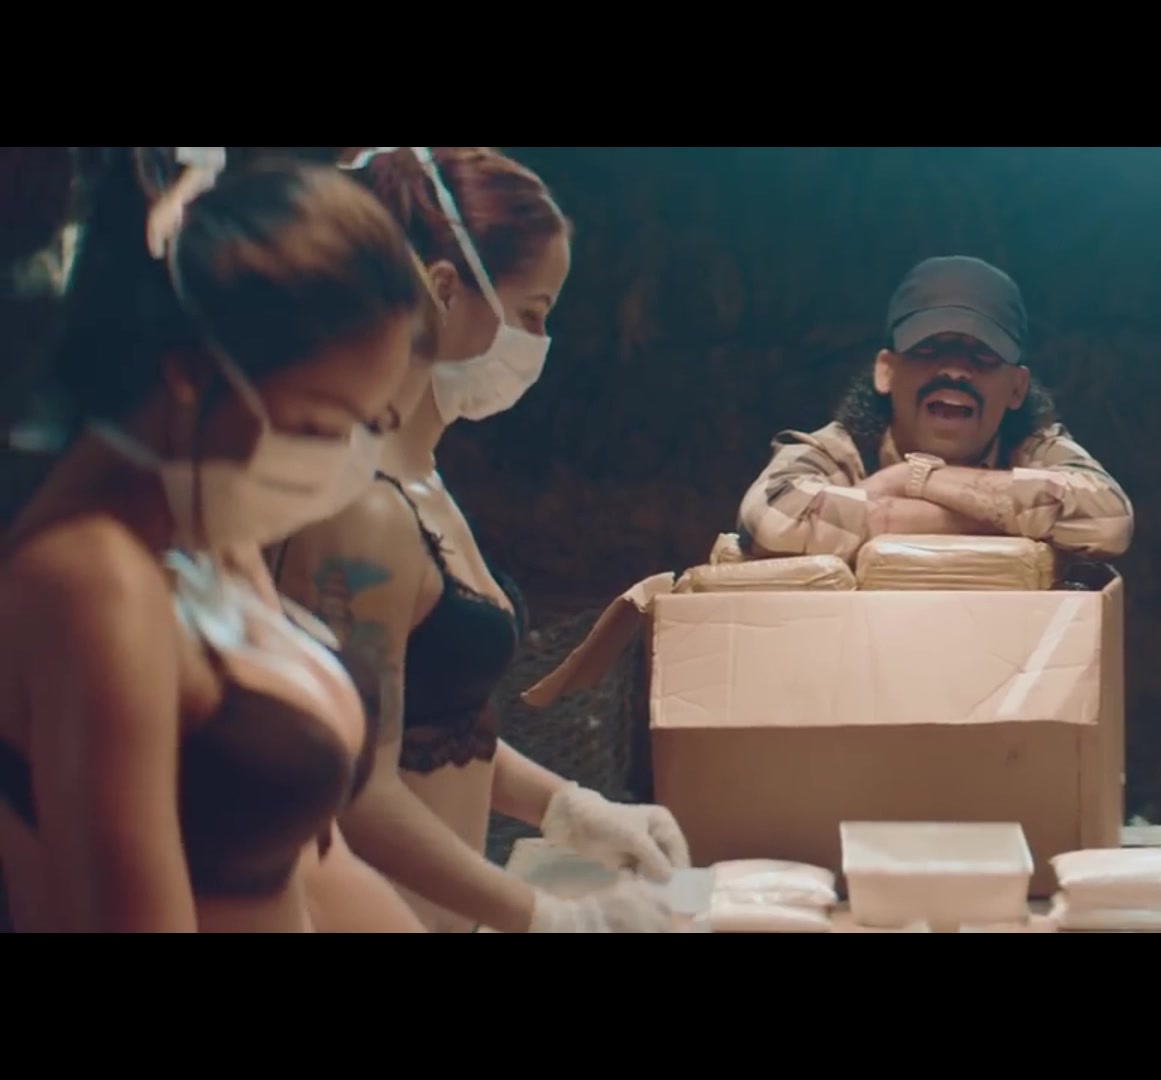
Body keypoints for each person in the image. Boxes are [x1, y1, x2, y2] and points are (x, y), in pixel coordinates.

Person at [0, 149, 433, 932]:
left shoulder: (207, 535)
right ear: (190, 374)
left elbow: (306, 862)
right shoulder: (93, 580)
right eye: (315, 425)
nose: (334, 463)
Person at [271, 147, 682, 934]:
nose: (539, 343)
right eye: (531, 313)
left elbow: (439, 726)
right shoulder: (363, 512)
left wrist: (568, 807)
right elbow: (356, 786)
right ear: (445, 291)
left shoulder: (424, 484)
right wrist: (544, 916)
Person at [737, 255, 1134, 562]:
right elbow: (770, 518)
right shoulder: (841, 450)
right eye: (929, 348)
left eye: (982, 354)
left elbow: (1110, 520)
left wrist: (912, 480)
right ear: (886, 371)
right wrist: (1004, 521)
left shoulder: (1034, 447)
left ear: (1017, 388)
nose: (955, 370)